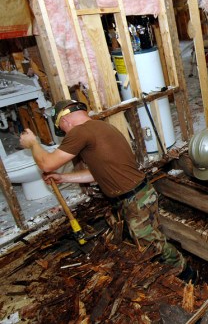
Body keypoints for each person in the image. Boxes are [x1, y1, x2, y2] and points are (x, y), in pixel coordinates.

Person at [19, 100, 190, 276]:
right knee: (151, 239)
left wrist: (33, 143)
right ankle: (170, 268)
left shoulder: (79, 131)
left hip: (135, 200)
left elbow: (47, 164)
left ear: (64, 120)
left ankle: (184, 272)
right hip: (139, 195)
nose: (65, 133)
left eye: (62, 130)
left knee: (154, 247)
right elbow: (97, 174)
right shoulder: (102, 127)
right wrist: (63, 178)